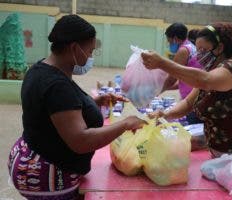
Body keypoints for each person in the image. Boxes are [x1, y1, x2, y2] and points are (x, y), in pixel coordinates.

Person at [7, 15, 146, 200]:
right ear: (74, 48)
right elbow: (81, 141)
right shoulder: (57, 85)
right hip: (48, 174)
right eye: (90, 51)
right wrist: (125, 124)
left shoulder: (40, 69)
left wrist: (96, 102)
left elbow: (55, 110)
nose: (90, 57)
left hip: (31, 155)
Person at [142, 22, 232, 158]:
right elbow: (189, 103)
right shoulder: (211, 70)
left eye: (202, 50)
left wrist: (161, 63)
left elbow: (204, 81)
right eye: (197, 49)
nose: (198, 55)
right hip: (221, 153)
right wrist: (165, 115)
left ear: (219, 48)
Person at [163, 23, 203, 125]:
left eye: (169, 41)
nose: (169, 45)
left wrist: (157, 90)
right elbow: (184, 80)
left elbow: (172, 78)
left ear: (175, 38)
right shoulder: (192, 47)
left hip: (191, 100)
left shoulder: (183, 51)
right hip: (196, 96)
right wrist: (166, 88)